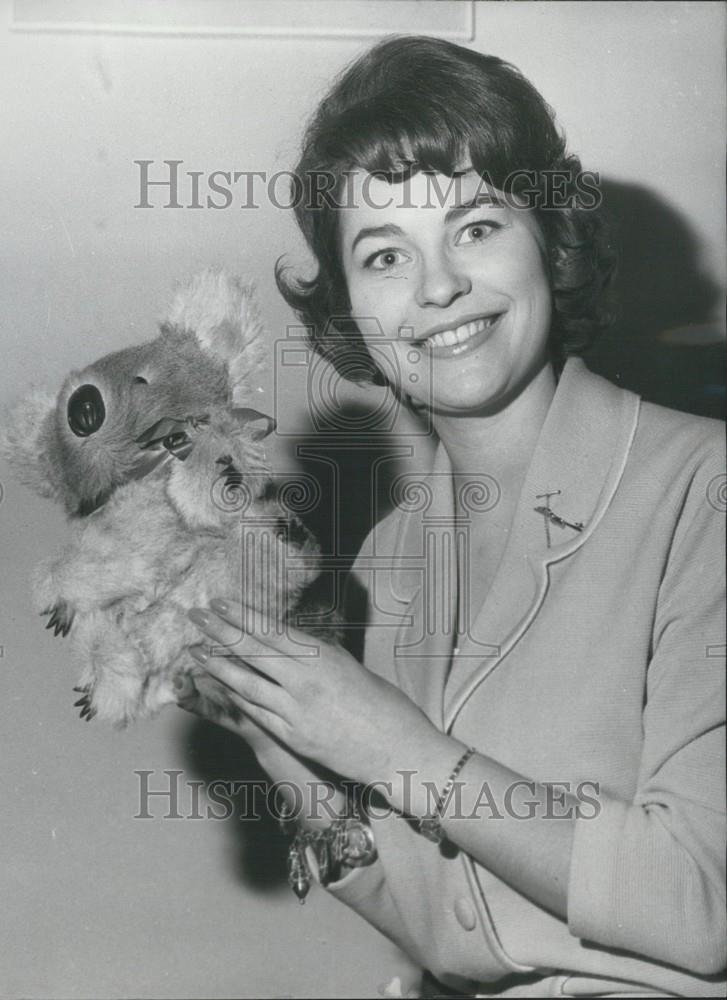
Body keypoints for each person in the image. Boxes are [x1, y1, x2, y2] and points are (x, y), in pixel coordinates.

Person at [178, 36, 726, 998]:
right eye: (385, 256)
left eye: (474, 228)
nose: (436, 289)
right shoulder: (393, 551)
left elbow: (698, 903)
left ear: (548, 239)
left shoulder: (701, 492)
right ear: (348, 308)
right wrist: (274, 725)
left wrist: (389, 743)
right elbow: (451, 932)